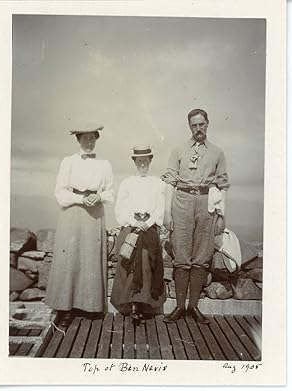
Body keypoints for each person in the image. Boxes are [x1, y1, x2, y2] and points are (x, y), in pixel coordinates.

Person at [161, 109, 230, 324]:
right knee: (181, 254)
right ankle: (180, 307)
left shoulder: (218, 153)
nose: (198, 128)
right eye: (193, 125)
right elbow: (170, 181)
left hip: (206, 203)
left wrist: (221, 215)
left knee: (202, 256)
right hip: (181, 202)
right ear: (189, 126)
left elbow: (222, 185)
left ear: (207, 124)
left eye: (201, 124)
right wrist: (166, 211)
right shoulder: (178, 150)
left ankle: (193, 307)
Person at [45, 122, 114, 327]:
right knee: (70, 259)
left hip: (94, 213)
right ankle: (65, 308)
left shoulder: (104, 165)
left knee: (91, 259)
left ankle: (90, 306)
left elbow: (110, 192)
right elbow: (60, 193)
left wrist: (98, 196)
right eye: (85, 138)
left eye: (92, 138)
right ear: (78, 140)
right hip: (73, 213)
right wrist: (80, 200)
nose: (89, 142)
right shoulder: (68, 162)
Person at [110, 146, 166, 321]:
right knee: (129, 258)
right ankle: (131, 303)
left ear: (150, 161)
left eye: (146, 161)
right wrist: (135, 223)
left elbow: (160, 207)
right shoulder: (127, 183)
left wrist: (147, 223)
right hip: (131, 226)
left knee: (146, 256)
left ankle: (145, 302)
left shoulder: (157, 183)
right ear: (134, 162)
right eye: (139, 161)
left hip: (149, 227)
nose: (143, 164)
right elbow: (120, 208)